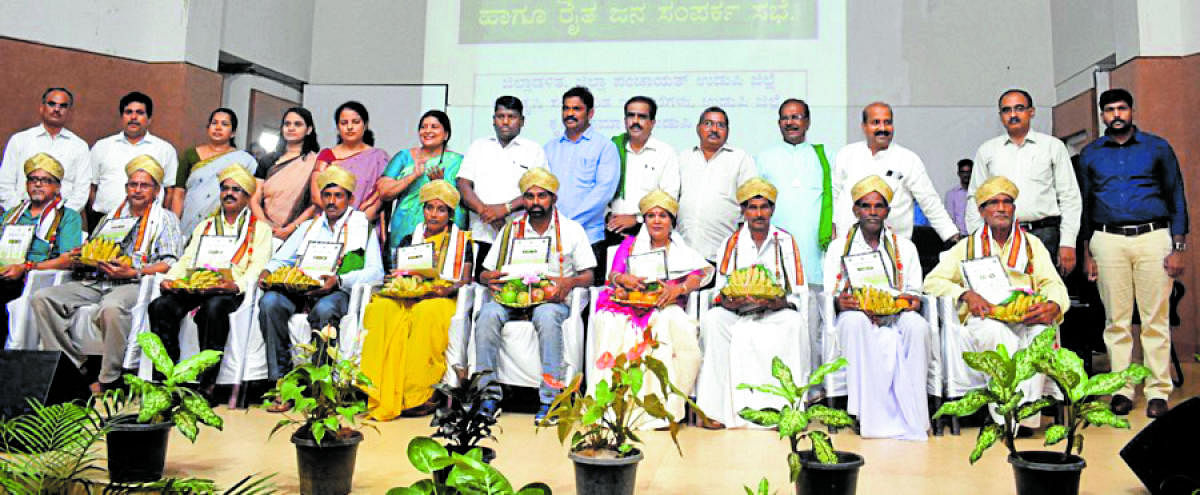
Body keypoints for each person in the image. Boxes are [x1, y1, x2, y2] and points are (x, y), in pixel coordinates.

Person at [924, 176, 1068, 431]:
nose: (1001, 208)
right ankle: (1008, 418)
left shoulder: (1032, 245)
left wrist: (1054, 305)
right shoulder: (967, 247)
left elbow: (1053, 284)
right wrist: (966, 295)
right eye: (993, 203)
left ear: (1014, 209)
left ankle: (1023, 417)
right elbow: (932, 282)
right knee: (999, 335)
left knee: (1042, 336)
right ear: (982, 211)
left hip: (1026, 316)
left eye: (1007, 202)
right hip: (985, 318)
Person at [1079, 89, 1188, 418]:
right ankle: (1123, 389)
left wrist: (1179, 246)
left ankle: (1158, 390)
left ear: (1131, 111)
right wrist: (1088, 251)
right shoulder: (1090, 154)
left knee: (1155, 320)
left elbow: (1176, 194)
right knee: (1117, 321)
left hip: (1153, 238)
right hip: (1107, 240)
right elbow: (1084, 204)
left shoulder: (1157, 148)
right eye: (1109, 109)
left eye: (1121, 108)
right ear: (1102, 116)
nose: (1116, 114)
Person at [32, 155, 183, 394]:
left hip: (133, 282)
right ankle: (69, 367)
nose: (137, 190)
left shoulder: (165, 219)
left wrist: (134, 270)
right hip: (95, 279)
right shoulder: (111, 217)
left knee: (111, 307)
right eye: (133, 184)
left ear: (156, 191)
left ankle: (109, 378)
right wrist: (82, 255)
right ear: (126, 188)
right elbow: (94, 247)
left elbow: (170, 262)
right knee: (43, 299)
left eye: (145, 185)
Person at [473, 168, 596, 423]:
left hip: (551, 299)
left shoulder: (572, 230)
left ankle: (550, 400)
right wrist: (490, 279)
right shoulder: (510, 230)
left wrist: (568, 281)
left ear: (553, 199)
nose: (535, 202)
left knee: (547, 315)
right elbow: (484, 273)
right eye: (529, 197)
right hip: (511, 298)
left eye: (542, 196)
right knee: (486, 314)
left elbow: (589, 276)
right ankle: (488, 396)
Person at [588, 189, 711, 428]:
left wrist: (678, 290)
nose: (656, 220)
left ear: (671, 222)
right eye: (651, 215)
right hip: (630, 306)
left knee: (669, 324)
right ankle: (615, 407)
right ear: (644, 220)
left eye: (663, 216)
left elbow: (697, 276)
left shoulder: (681, 250)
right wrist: (624, 281)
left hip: (666, 305)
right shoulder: (630, 245)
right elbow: (613, 275)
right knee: (613, 323)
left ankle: (662, 410)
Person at [257, 165, 384, 393]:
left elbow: (376, 272)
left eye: (338, 196)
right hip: (300, 289)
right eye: (327, 195)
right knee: (270, 303)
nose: (332, 201)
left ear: (350, 198)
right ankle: (282, 382)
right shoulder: (308, 226)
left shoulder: (363, 227)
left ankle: (319, 384)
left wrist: (339, 280)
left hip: (336, 291)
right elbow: (281, 260)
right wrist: (267, 272)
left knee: (325, 310)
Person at [695, 177, 809, 429]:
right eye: (752, 208)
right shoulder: (731, 243)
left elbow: (799, 292)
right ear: (743, 211)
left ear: (772, 210)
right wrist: (731, 301)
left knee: (793, 323)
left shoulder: (786, 241)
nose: (758, 214)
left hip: (774, 313)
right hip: (739, 314)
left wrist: (781, 302)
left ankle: (786, 410)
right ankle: (715, 411)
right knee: (713, 320)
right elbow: (719, 292)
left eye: (764, 207)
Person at [148, 165, 271, 395]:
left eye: (237, 189)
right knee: (160, 306)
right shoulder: (206, 225)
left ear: (247, 197)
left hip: (228, 291)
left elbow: (258, 266)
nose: (229, 194)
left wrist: (236, 285)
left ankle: (208, 384)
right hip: (196, 285)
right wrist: (171, 278)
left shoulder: (260, 229)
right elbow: (187, 258)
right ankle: (166, 379)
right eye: (225, 188)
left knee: (213, 309)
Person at [823, 176, 928, 440]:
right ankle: (863, 413)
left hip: (896, 314)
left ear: (887, 212)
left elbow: (915, 292)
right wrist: (839, 302)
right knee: (853, 323)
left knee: (918, 326)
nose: (872, 212)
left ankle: (912, 411)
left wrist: (910, 302)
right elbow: (829, 293)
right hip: (857, 314)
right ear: (855, 210)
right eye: (865, 206)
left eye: (878, 206)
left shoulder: (905, 247)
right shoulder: (838, 248)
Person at [360, 180, 473, 420]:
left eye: (441, 209)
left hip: (440, 298)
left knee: (426, 314)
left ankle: (418, 394)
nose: (433, 214)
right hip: (408, 295)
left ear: (450, 214)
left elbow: (465, 280)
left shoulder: (462, 242)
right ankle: (375, 388)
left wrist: (446, 289)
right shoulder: (409, 239)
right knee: (380, 308)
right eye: (429, 208)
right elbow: (397, 274)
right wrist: (398, 279)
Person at [966, 89, 1081, 275]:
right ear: (1000, 115)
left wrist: (1068, 242)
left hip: (1045, 235)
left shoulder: (1052, 147)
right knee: (1004, 299)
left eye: (1019, 108)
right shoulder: (987, 151)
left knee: (1044, 298)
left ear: (1032, 111)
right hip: (1000, 237)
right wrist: (978, 239)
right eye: (1006, 110)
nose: (1012, 115)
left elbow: (1070, 197)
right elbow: (975, 198)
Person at [832, 102, 958, 242]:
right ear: (864, 126)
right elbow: (833, 196)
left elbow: (930, 202)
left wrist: (952, 237)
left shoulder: (908, 159)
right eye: (876, 122)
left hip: (894, 249)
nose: (883, 128)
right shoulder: (846, 154)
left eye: (887, 122)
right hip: (847, 244)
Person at [457, 96, 548, 278]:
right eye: (500, 116)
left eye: (511, 117)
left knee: (518, 287)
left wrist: (504, 210)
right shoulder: (478, 146)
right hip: (481, 234)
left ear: (522, 121)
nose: (505, 122)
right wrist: (487, 212)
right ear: (493, 119)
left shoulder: (533, 150)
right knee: (481, 287)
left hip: (520, 236)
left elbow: (538, 189)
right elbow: (463, 184)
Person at [0, 153, 83, 345]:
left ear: (57, 187)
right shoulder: (13, 214)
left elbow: (68, 260)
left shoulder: (68, 216)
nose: (38, 185)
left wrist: (27, 267)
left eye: (45, 181)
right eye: (33, 179)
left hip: (36, 278)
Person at [544, 86, 620, 285]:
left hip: (589, 237)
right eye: (566, 108)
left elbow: (604, 192)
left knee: (586, 303)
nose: (570, 113)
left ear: (590, 113)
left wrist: (569, 226)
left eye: (576, 109)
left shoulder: (605, 147)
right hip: (552, 238)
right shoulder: (549, 148)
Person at [756, 98, 835, 283]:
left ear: (807, 122)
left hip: (814, 249)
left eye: (796, 117)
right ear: (779, 123)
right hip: (774, 245)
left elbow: (836, 198)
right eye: (785, 118)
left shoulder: (825, 157)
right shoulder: (764, 158)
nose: (790, 122)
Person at [377, 110, 465, 261]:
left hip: (445, 232)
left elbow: (463, 197)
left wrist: (440, 185)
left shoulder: (458, 161)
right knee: (403, 278)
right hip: (405, 229)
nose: (428, 131)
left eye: (434, 126)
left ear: (446, 134)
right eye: (423, 127)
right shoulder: (404, 157)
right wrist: (413, 176)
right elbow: (384, 192)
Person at [676, 106, 758, 262]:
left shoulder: (740, 159)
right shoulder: (683, 158)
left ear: (728, 130)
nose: (714, 129)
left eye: (720, 125)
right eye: (708, 123)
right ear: (698, 128)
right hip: (684, 255)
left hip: (723, 255)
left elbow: (752, 205)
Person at [88, 92, 178, 224]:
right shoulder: (102, 146)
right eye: (128, 112)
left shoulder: (164, 149)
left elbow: (170, 191)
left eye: (140, 113)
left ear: (149, 119)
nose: (133, 117)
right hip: (104, 219)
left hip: (148, 222)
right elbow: (92, 187)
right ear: (122, 117)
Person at [605, 96, 680, 249]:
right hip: (612, 233)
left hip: (650, 234)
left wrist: (636, 219)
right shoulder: (611, 149)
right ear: (625, 120)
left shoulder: (665, 153)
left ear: (652, 123)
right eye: (631, 115)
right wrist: (607, 216)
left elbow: (669, 198)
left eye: (642, 117)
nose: (635, 121)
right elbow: (600, 188)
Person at [0, 87, 91, 212]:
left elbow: (81, 191)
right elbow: (5, 184)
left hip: (61, 220)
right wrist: (21, 213)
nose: (57, 109)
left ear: (70, 112)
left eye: (63, 106)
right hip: (20, 217)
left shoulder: (79, 146)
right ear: (42, 108)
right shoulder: (19, 140)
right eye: (52, 104)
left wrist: (62, 218)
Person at [169, 107, 256, 233]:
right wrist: (174, 225)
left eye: (224, 124)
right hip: (189, 221)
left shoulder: (244, 160)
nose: (218, 127)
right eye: (214, 123)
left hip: (225, 222)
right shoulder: (190, 155)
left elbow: (250, 195)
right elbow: (179, 193)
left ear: (233, 133)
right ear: (208, 128)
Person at [251, 107, 320, 241]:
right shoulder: (267, 161)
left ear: (309, 129)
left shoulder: (316, 162)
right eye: (287, 124)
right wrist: (266, 226)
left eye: (297, 124)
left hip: (300, 233)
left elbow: (315, 203)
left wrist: (291, 228)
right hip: (264, 230)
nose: (291, 128)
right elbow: (254, 199)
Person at [313, 101, 388, 222]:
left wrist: (358, 220)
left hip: (363, 222)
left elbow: (380, 196)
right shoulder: (327, 155)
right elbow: (316, 195)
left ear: (365, 125)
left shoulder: (378, 157)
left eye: (355, 122)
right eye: (344, 123)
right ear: (338, 127)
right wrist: (338, 217)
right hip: (329, 221)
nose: (349, 127)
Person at [944, 159, 973, 236]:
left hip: (977, 237)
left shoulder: (980, 193)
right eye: (963, 172)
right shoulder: (951, 195)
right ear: (958, 173)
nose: (966, 175)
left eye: (968, 172)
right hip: (959, 237)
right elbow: (950, 219)